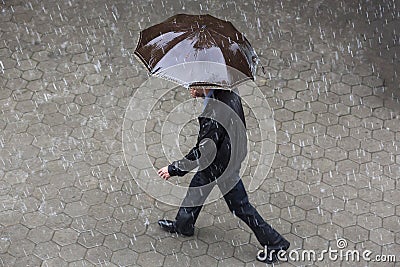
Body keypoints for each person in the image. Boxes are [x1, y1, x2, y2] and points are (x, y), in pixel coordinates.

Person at [157, 85, 290, 264]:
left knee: (240, 206)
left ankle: (276, 243)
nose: (190, 87)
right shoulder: (228, 90)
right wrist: (203, 94)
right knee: (196, 190)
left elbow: (202, 151)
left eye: (195, 84)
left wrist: (173, 169)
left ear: (206, 84)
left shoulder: (214, 113)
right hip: (225, 155)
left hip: (222, 164)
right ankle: (183, 225)